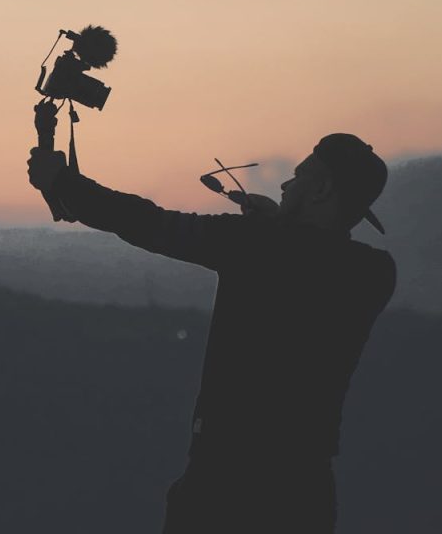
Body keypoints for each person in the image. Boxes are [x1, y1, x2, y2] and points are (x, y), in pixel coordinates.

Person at [27, 133, 396, 533]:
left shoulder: (253, 243)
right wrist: (277, 223)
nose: (286, 185)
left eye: (297, 177)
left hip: (225, 479)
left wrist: (63, 183)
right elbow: (309, 254)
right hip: (306, 485)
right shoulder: (374, 272)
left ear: (321, 189)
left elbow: (147, 222)